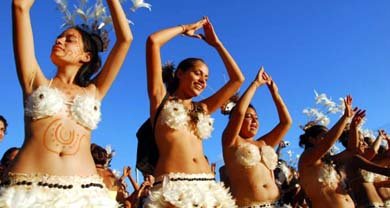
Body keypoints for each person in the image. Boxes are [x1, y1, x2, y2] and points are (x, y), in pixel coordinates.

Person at [0, 0, 132, 206]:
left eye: (69, 39)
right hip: (28, 191)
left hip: (84, 195)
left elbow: (125, 39)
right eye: (58, 37)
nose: (59, 41)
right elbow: (19, 6)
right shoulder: (35, 81)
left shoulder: (94, 91)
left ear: (86, 56)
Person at [143, 17, 245, 207]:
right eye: (197, 73)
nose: (203, 81)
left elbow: (237, 80)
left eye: (206, 77)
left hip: (207, 189)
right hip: (174, 190)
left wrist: (217, 44)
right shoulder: (160, 100)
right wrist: (184, 28)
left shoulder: (203, 108)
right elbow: (153, 42)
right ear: (180, 73)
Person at [222, 67, 292, 207]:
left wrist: (275, 94)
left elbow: (286, 122)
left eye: (256, 118)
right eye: (249, 117)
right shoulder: (231, 141)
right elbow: (239, 112)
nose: (254, 121)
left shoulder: (264, 143)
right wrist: (255, 84)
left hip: (274, 204)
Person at [298, 95, 355, 208]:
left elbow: (352, 151)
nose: (328, 138)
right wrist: (345, 118)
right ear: (312, 139)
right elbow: (327, 143)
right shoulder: (306, 158)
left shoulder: (329, 160)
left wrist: (354, 127)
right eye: (324, 136)